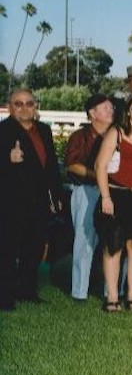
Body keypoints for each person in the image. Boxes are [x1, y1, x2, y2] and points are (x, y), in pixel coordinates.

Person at [1, 89, 66, 310]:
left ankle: (27, 291)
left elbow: (50, 168)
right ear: (10, 107)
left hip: (38, 202)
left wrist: (56, 195)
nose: (24, 107)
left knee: (34, 248)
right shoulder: (3, 131)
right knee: (7, 250)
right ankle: (5, 297)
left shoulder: (45, 131)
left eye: (29, 103)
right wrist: (7, 159)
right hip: (10, 202)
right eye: (18, 104)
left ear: (35, 106)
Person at [94, 94, 132, 312]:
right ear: (128, 111)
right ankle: (112, 297)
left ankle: (131, 296)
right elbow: (100, 166)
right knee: (113, 246)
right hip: (116, 197)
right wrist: (106, 197)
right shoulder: (116, 133)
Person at [65, 94, 113, 301]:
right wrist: (99, 177)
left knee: (111, 240)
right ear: (92, 113)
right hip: (86, 191)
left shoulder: (116, 134)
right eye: (105, 108)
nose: (110, 111)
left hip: (111, 193)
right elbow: (72, 164)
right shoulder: (80, 136)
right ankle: (79, 291)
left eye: (111, 107)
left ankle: (110, 291)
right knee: (84, 241)